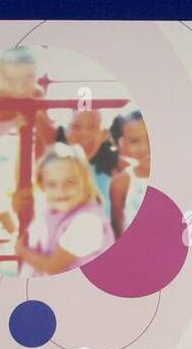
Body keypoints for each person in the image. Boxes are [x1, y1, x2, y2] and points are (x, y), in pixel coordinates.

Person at [15, 143, 114, 276]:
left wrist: (21, 251)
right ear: (42, 185)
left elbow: (52, 266)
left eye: (70, 182)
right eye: (51, 184)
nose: (60, 191)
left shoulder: (88, 221)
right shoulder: (52, 212)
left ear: (85, 182)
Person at [60, 109, 118, 218]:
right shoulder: (53, 171)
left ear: (104, 134)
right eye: (76, 126)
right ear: (66, 132)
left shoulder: (113, 174)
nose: (84, 134)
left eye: (93, 127)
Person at [110, 110, 150, 238]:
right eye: (134, 141)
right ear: (123, 144)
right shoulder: (121, 182)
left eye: (151, 138)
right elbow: (118, 228)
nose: (145, 147)